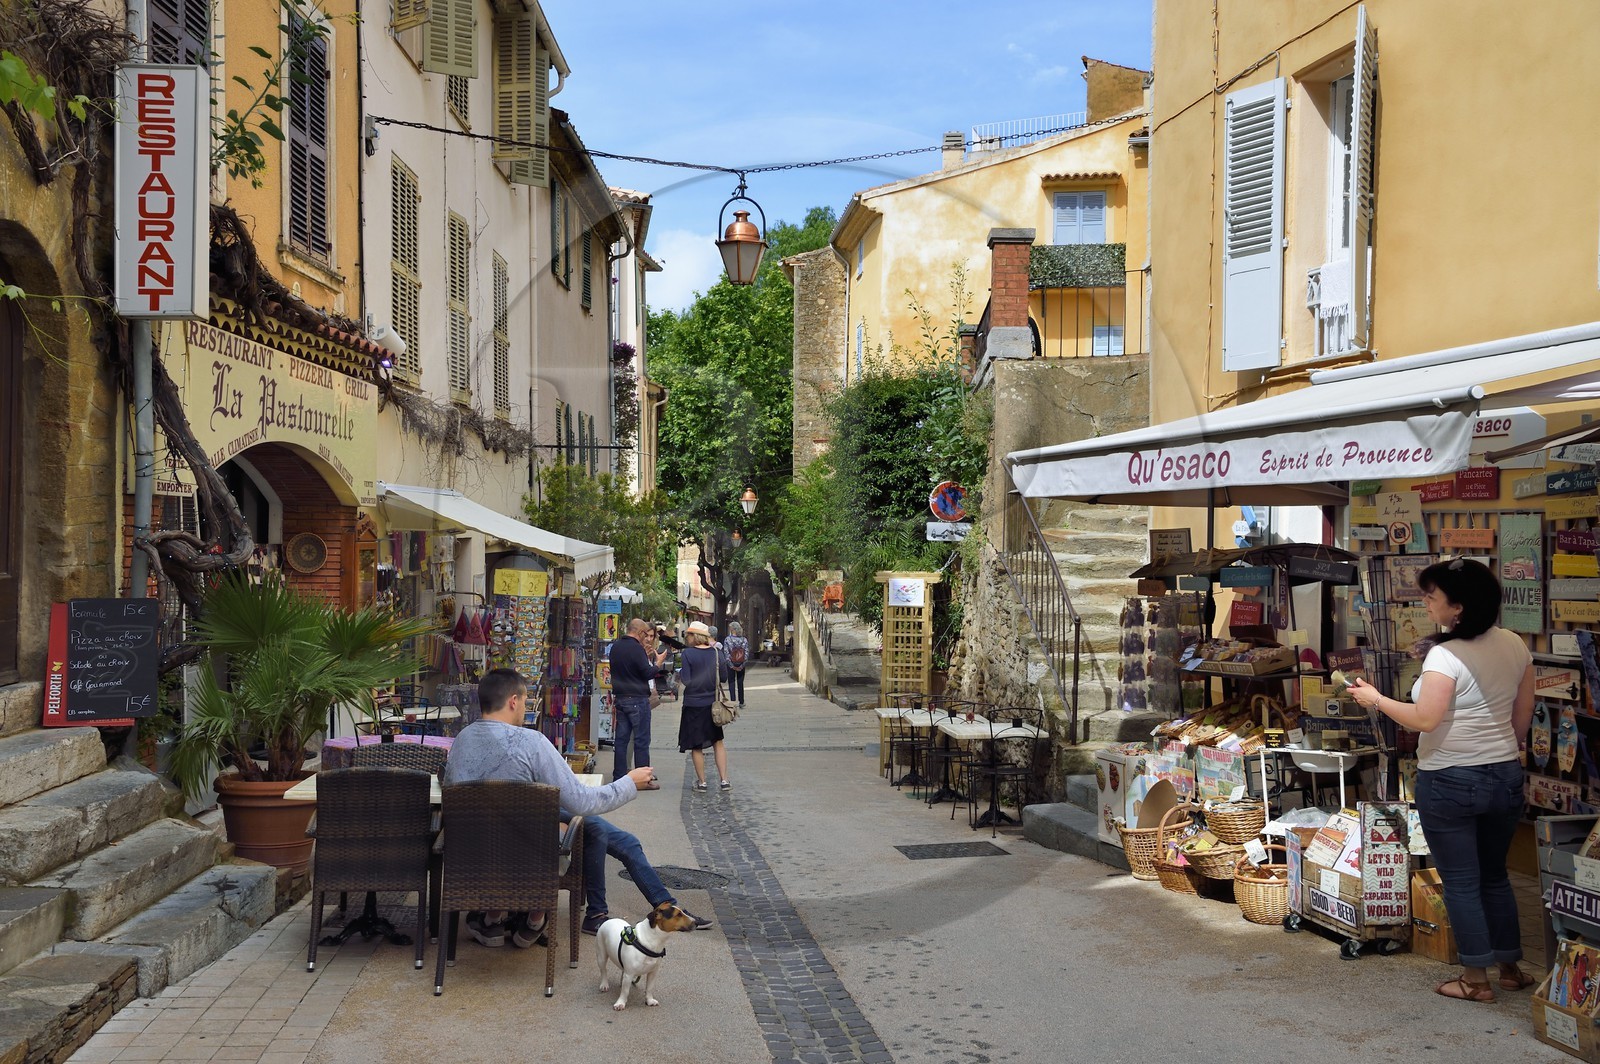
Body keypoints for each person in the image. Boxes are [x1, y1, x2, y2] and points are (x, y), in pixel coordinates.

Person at [1347, 558, 1534, 1003]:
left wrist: (1377, 700)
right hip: (1504, 774)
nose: (1426, 604)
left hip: (1450, 778)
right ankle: (1510, 968)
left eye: (1433, 597)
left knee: (1462, 882)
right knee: (1495, 877)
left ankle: (1475, 980)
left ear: (1460, 608)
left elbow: (1426, 719)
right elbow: (1521, 718)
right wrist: (1495, 749)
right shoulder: (1514, 644)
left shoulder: (1445, 655)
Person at [442, 668, 711, 943]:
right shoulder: (531, 742)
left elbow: (451, 789)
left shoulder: (460, 740)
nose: (524, 708)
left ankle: (514, 917)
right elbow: (582, 801)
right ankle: (536, 917)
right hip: (528, 852)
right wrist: (629, 782)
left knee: (614, 837)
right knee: (589, 827)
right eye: (524, 702)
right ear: (513, 701)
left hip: (473, 852)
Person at [608, 618, 668, 789]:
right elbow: (647, 673)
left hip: (621, 698)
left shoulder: (616, 647)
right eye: (645, 634)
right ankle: (644, 780)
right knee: (641, 740)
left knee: (621, 740)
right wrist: (658, 663)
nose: (646, 638)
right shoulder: (636, 649)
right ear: (640, 632)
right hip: (637, 699)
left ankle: (619, 777)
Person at [677, 620, 731, 792]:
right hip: (713, 704)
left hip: (693, 704)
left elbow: (686, 680)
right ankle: (724, 780)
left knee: (696, 745)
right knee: (718, 742)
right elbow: (723, 678)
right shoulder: (717, 653)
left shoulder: (687, 654)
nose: (687, 638)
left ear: (695, 636)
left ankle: (702, 783)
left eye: (688, 635)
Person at [724, 621, 750, 708]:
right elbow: (746, 654)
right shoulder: (744, 640)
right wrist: (742, 665)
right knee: (740, 683)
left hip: (731, 664)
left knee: (731, 682)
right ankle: (741, 701)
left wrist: (731, 665)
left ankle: (733, 701)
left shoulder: (728, 639)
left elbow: (726, 653)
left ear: (732, 629)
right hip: (741, 664)